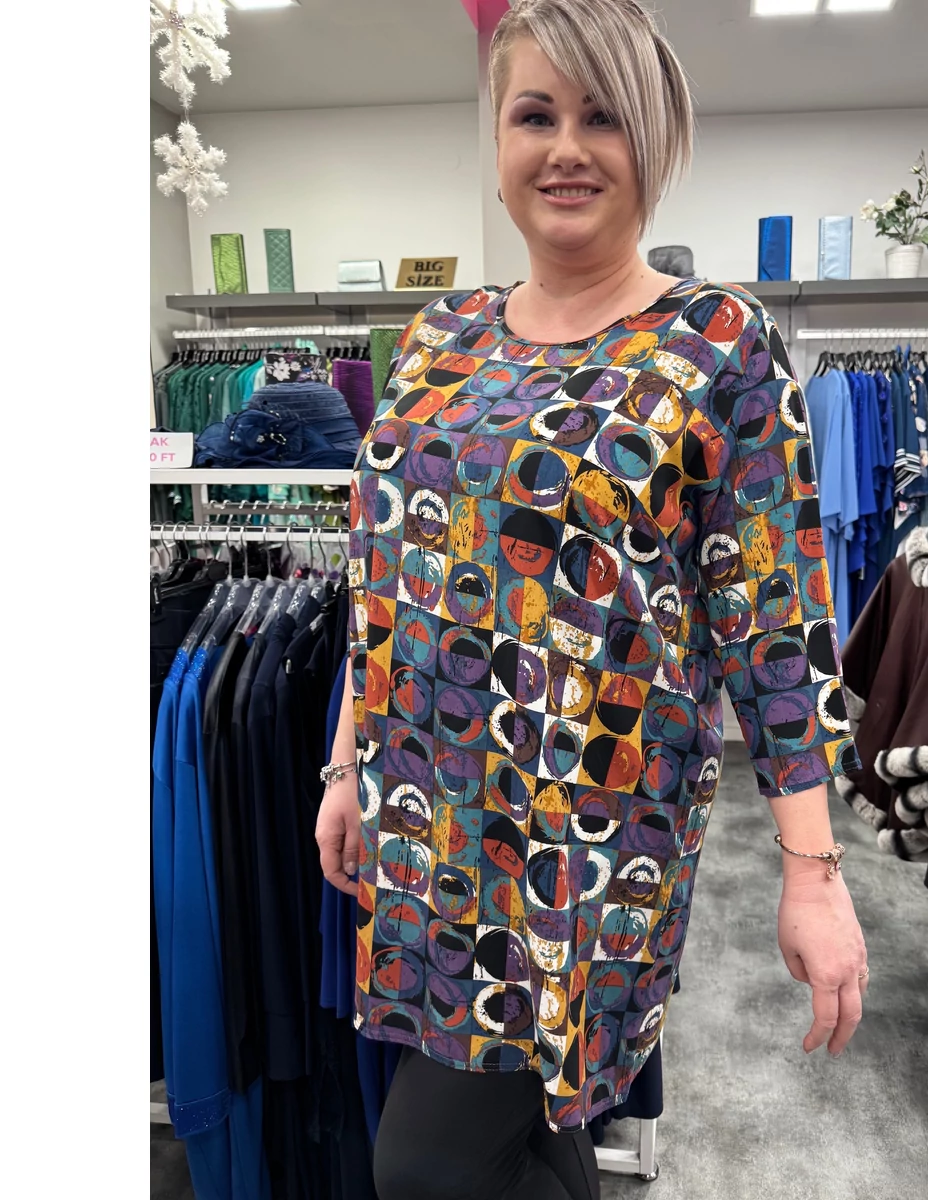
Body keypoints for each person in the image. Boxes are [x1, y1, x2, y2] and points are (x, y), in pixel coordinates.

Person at [315, 2, 869, 1197]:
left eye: (602, 117)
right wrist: (347, 764)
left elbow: (775, 626)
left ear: (652, 143)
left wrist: (813, 874)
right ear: (497, 143)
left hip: (590, 838)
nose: (566, 148)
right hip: (430, 821)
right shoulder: (437, 339)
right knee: (529, 1128)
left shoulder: (717, 344)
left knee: (424, 1169)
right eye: (536, 115)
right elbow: (382, 578)